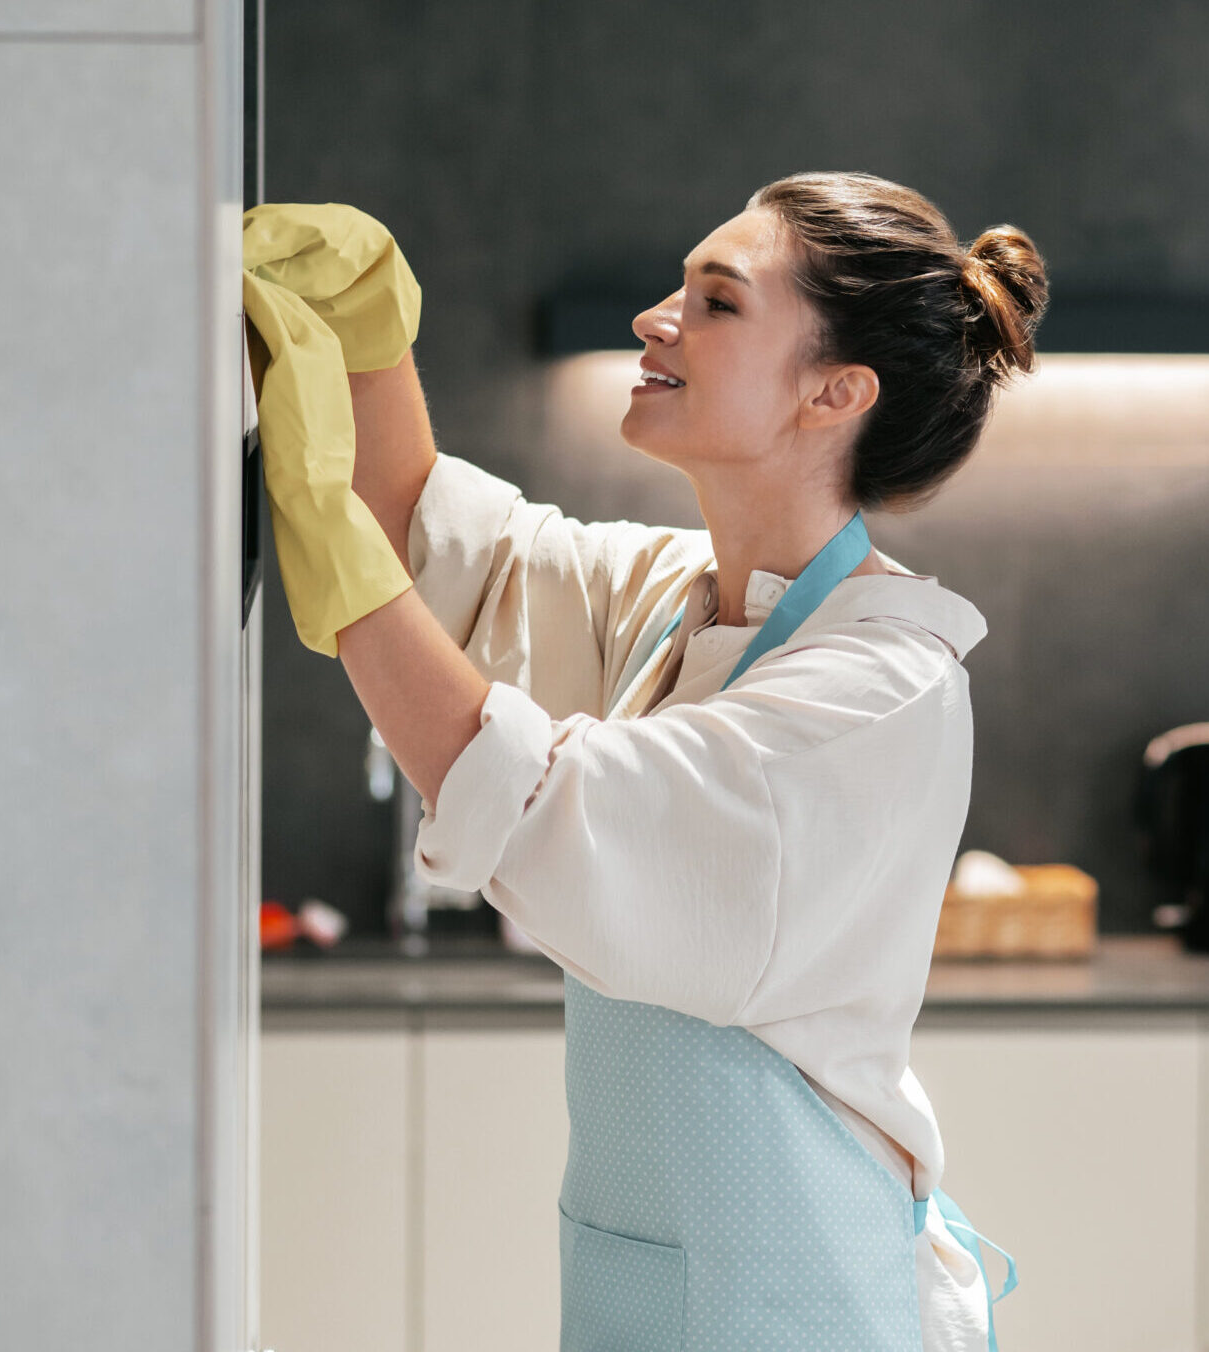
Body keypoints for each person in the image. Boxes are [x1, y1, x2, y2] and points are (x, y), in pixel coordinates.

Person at [334, 171, 1047, 1351]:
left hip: (795, 1301)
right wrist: (362, 336)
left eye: (714, 303)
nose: (653, 319)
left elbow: (551, 802)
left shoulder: (875, 683)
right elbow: (448, 551)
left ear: (834, 391)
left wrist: (341, 565)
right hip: (654, 1288)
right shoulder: (680, 601)